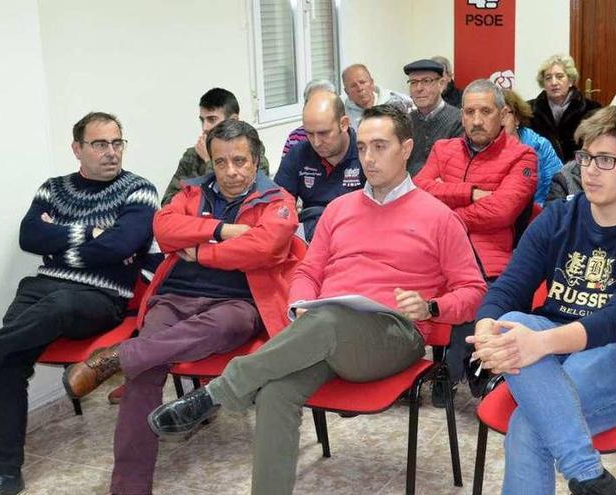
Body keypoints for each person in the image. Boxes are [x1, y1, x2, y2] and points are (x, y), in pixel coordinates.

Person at [147, 104, 487, 495]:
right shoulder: (339, 210)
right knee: (276, 392)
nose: (369, 158)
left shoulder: (439, 216)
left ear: (407, 148)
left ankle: (218, 393)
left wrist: (431, 308)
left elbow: (474, 292)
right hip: (327, 331)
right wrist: (301, 303)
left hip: (394, 335)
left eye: (380, 146)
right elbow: (308, 272)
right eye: (362, 148)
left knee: (328, 323)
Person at [62, 119, 303, 495]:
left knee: (219, 328)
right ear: (211, 161)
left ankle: (118, 356)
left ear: (256, 161)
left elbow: (265, 247)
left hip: (237, 303)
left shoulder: (277, 200)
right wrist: (221, 231)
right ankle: (128, 488)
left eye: (240, 161)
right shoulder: (192, 192)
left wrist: (201, 252)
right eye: (221, 162)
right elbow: (165, 228)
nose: (231, 171)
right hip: (175, 297)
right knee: (145, 371)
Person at [469, 105, 616, 495]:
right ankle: (589, 477)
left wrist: (540, 344)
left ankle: (583, 471)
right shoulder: (558, 217)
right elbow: (510, 285)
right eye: (585, 157)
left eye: (605, 160)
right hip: (554, 349)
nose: (589, 171)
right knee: (508, 319)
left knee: (528, 426)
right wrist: (486, 330)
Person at [0, 112, 159, 495]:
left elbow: (122, 244)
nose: (111, 153)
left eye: (117, 143)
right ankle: (5, 474)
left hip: (100, 298)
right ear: (77, 149)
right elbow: (29, 236)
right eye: (100, 144)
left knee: (58, 307)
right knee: (10, 359)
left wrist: (62, 246)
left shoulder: (139, 190)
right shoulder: (53, 188)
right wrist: (88, 233)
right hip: (41, 287)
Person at [415, 80, 537, 400]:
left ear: (503, 114)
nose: (477, 120)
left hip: (489, 253)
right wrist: (468, 193)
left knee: (474, 292)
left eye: (485, 111)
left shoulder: (522, 157)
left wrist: (449, 215)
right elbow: (419, 192)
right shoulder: (443, 149)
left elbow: (502, 211)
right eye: (469, 112)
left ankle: (455, 369)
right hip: (436, 251)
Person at [273, 91, 364, 241]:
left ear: (344, 124)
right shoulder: (298, 153)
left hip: (355, 235)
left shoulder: (366, 154)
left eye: (324, 133)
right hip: (310, 233)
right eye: (309, 133)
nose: (316, 142)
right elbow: (278, 204)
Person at [162, 88, 269, 205]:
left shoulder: (253, 155)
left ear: (233, 120)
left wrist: (209, 161)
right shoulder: (192, 155)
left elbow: (237, 205)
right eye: (202, 120)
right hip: (195, 223)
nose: (205, 127)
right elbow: (168, 203)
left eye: (212, 119)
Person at [528, 54, 601, 162]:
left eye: (559, 76)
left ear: (571, 80)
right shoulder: (529, 110)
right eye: (548, 78)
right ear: (543, 84)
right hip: (541, 170)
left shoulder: (591, 109)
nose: (554, 82)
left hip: (577, 171)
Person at [503, 89, 563, 206]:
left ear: (517, 118)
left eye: (504, 114)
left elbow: (557, 186)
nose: (498, 121)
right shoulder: (482, 147)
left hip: (539, 213)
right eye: (492, 114)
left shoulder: (539, 146)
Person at [404, 58, 464, 176]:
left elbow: (453, 170)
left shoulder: (458, 121)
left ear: (441, 84)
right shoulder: (405, 122)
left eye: (426, 81)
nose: (419, 88)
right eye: (413, 82)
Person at [341, 63, 412, 129]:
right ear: (347, 92)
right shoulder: (342, 112)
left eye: (362, 82)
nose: (360, 88)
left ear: (372, 83)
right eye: (353, 86)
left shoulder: (397, 103)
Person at [280, 79, 337, 157]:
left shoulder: (348, 135)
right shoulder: (295, 137)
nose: (317, 142)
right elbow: (285, 167)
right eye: (312, 102)